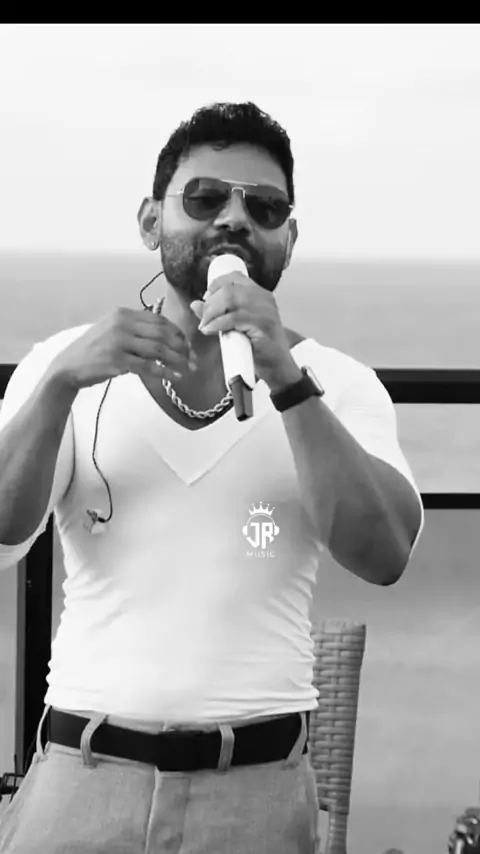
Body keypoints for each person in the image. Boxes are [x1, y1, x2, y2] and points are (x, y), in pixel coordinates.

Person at [0, 101, 424, 854]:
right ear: (150, 221)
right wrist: (60, 384)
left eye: (264, 208)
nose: (234, 219)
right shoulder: (67, 367)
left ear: (289, 239)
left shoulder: (335, 382)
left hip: (254, 793)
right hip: (82, 776)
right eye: (203, 199)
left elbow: (384, 552)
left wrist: (286, 380)